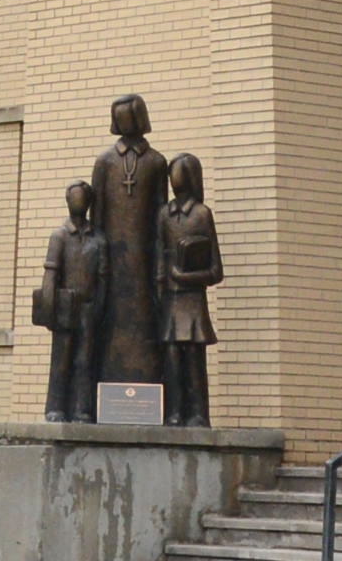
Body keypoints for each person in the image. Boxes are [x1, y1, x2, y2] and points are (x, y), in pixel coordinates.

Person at [85, 94, 173, 398]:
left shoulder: (157, 162)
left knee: (146, 317)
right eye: (117, 116)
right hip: (112, 254)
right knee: (111, 319)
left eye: (127, 115)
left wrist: (160, 257)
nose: (123, 122)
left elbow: (162, 211)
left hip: (145, 258)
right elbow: (96, 215)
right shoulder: (105, 162)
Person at [35, 181, 109, 426]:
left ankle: (82, 410)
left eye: (82, 198)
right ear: (68, 201)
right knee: (61, 360)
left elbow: (103, 277)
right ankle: (55, 407)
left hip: (88, 308)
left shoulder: (98, 239)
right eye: (73, 198)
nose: (78, 202)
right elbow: (51, 274)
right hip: (65, 307)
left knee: (84, 360)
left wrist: (99, 306)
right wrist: (49, 310)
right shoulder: (59, 236)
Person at [156, 152, 222, 429]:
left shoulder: (202, 214)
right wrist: (161, 284)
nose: (174, 178)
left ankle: (198, 414)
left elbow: (216, 271)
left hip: (192, 300)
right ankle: (174, 412)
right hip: (170, 300)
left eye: (179, 172)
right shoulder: (164, 215)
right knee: (172, 359)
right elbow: (159, 258)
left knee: (194, 360)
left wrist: (187, 276)